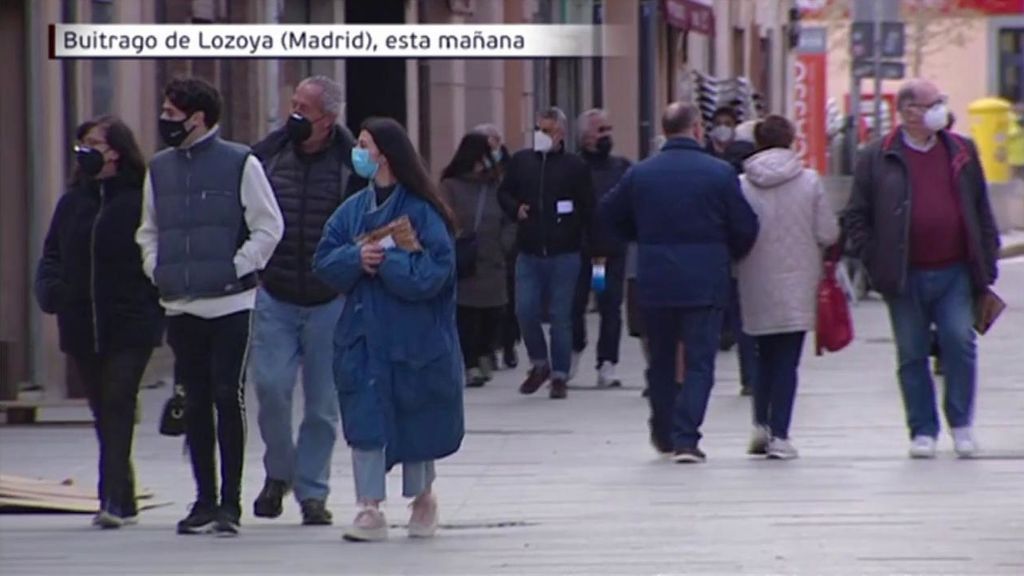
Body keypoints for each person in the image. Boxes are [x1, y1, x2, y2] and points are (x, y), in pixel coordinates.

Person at [136, 77, 284, 536]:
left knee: (227, 395)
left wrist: (238, 266)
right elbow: (149, 228)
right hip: (180, 303)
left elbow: (268, 225)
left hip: (230, 303)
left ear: (198, 118)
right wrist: (155, 267)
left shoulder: (240, 162)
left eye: (172, 115)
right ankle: (203, 498)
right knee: (195, 400)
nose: (166, 122)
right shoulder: (158, 168)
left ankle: (230, 504)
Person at [312, 117, 464, 542]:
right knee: (364, 420)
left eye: (364, 144)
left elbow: (435, 271)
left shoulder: (423, 212)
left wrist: (388, 262)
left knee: (416, 416)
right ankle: (369, 507)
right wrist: (356, 260)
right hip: (362, 337)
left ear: (386, 152)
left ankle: (422, 499)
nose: (358, 152)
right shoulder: (351, 211)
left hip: (413, 338)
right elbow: (324, 261)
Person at [843, 79, 1000, 459]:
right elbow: (855, 216)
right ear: (909, 112)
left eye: (942, 102)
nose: (942, 109)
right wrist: (874, 258)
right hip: (904, 273)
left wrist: (988, 256)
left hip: (955, 271)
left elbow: (980, 207)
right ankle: (922, 429)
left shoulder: (962, 150)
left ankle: (961, 424)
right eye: (934, 103)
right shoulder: (876, 156)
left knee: (959, 342)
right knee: (911, 352)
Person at [601, 103, 758, 463]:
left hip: (655, 279)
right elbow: (745, 225)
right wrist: (727, 252)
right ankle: (687, 437)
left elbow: (609, 212)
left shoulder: (642, 173)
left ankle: (663, 430)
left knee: (661, 358)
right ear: (697, 129)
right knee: (700, 360)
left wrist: (639, 236)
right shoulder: (718, 173)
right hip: (705, 278)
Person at [35, 117, 164, 529]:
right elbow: (52, 252)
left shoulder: (141, 199)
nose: (85, 150)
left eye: (94, 143)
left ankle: (111, 498)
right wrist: (52, 290)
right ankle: (123, 494)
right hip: (80, 323)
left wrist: (154, 304)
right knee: (102, 411)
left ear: (116, 151)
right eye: (82, 143)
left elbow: (157, 252)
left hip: (129, 323)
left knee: (118, 400)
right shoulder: (73, 203)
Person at [248, 76, 356, 526]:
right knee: (270, 388)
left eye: (303, 108)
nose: (293, 114)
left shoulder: (352, 164)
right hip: (276, 293)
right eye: (291, 103)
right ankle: (279, 473)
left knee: (321, 405)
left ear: (327, 120)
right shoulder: (269, 156)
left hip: (329, 299)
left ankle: (312, 492)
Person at [735, 115, 840, 460]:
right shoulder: (809, 182)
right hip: (798, 279)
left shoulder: (742, 184)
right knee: (786, 362)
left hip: (754, 279)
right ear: (792, 140)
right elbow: (828, 232)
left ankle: (759, 425)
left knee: (761, 356)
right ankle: (780, 434)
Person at [498, 107, 594, 400]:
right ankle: (539, 363)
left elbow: (589, 206)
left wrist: (586, 241)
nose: (543, 135)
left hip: (565, 252)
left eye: (548, 130)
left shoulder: (574, 166)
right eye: (539, 129)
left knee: (559, 316)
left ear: (561, 133)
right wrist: (516, 209)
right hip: (528, 251)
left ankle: (560, 375)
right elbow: (503, 192)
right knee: (525, 310)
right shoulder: (521, 162)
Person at [439, 132, 511, 387]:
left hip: (493, 260)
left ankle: (485, 353)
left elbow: (508, 217)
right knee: (467, 316)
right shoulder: (450, 186)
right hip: (465, 260)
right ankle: (470, 363)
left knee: (494, 313)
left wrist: (506, 244)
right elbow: (444, 217)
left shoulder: (495, 185)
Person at [570, 109, 632, 387]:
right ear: (585, 137)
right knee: (575, 306)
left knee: (610, 305)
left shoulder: (622, 168)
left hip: (609, 254)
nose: (606, 135)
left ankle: (607, 363)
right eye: (600, 130)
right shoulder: (572, 167)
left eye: (609, 129)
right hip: (579, 251)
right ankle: (573, 351)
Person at [473, 123, 518, 372]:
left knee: (507, 299)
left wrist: (507, 242)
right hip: (479, 246)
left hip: (503, 245)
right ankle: (487, 349)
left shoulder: (509, 168)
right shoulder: (471, 170)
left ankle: (508, 344)